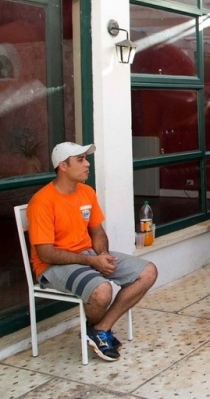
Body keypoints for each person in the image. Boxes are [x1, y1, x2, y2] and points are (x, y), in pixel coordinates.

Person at [27, 142, 158, 362]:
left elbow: (97, 232)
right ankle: (98, 331)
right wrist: (92, 262)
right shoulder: (42, 202)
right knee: (101, 291)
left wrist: (102, 255)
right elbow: (46, 254)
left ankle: (100, 329)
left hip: (87, 256)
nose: (87, 164)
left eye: (86, 158)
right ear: (63, 166)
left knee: (148, 271)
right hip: (53, 266)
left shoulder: (86, 192)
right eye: (80, 159)